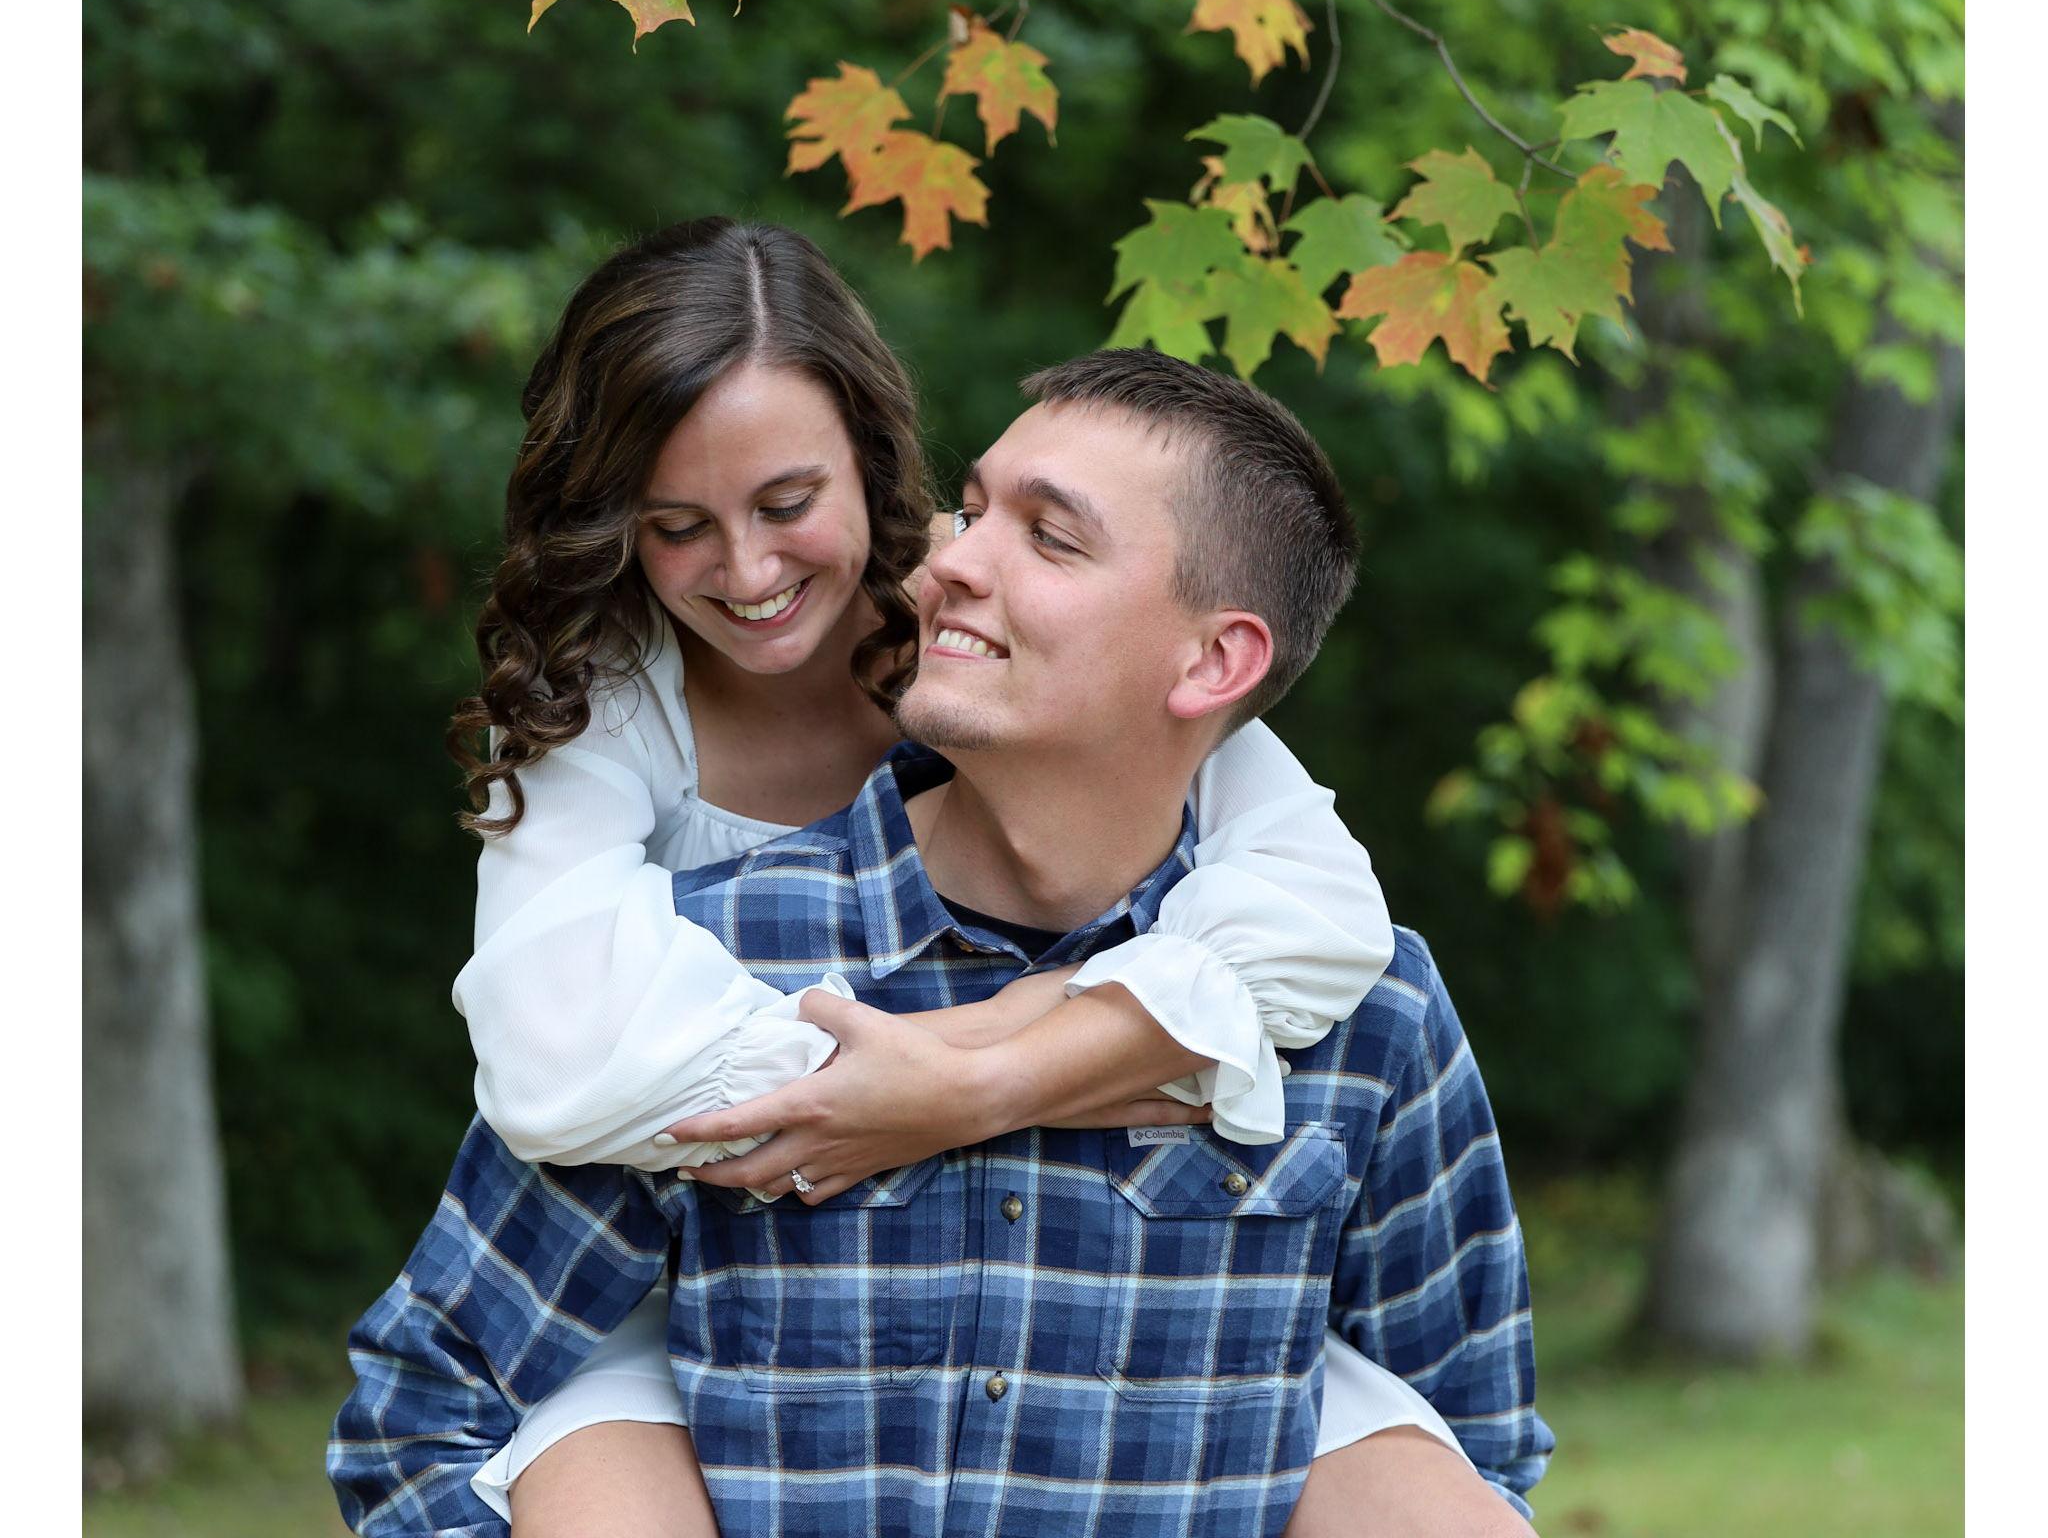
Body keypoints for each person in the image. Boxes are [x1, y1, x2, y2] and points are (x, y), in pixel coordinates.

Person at [330, 346, 1553, 1537]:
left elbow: (1465, 1448)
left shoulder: (1365, 1015)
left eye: (1049, 536)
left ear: (1214, 658)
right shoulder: (703, 971)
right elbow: (424, 1410)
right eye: (969, 510)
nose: (950, 560)